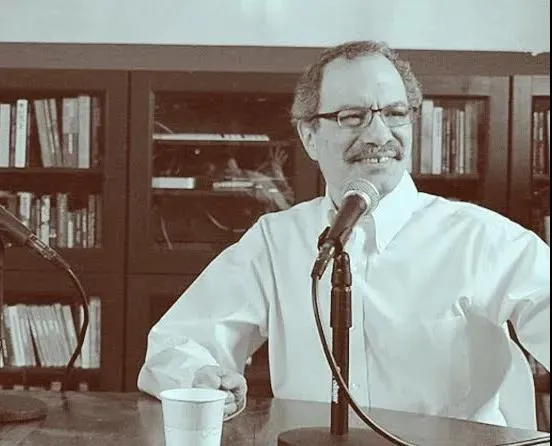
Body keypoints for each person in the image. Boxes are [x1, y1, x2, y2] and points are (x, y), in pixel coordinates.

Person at [137, 40, 550, 430]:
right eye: (352, 116)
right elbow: (176, 344)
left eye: (395, 112)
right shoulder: (276, 242)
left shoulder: (484, 239)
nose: (379, 134)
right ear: (309, 137)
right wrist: (202, 377)